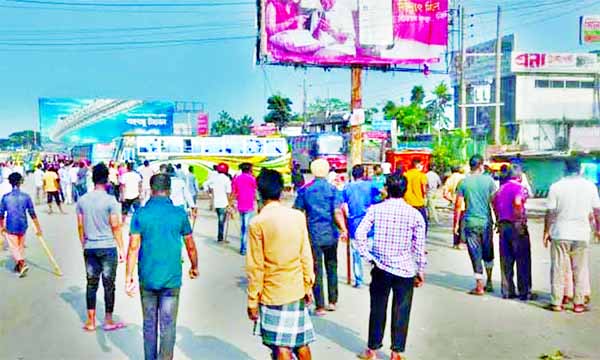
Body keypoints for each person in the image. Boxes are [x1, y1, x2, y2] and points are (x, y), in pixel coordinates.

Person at [125, 174, 199, 360]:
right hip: (171, 279)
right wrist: (194, 266)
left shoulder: (141, 213)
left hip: (147, 277)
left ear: (151, 189)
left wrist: (129, 276)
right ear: (169, 190)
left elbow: (134, 246)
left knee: (149, 324)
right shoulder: (179, 213)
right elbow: (190, 244)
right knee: (168, 325)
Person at [355, 174, 426, 360]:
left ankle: (372, 350)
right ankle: (396, 353)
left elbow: (360, 234)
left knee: (377, 308)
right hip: (405, 270)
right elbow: (419, 247)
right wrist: (420, 270)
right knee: (401, 310)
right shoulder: (415, 215)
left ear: (387, 189)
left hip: (381, 267)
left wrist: (368, 256)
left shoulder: (375, 210)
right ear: (405, 190)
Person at [246, 169, 316, 360]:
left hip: (272, 292)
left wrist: (252, 300)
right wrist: (308, 284)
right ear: (281, 191)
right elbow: (306, 254)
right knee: (301, 342)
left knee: (281, 345)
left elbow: (256, 266)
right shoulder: (297, 217)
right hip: (296, 288)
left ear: (259, 192)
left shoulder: (257, 223)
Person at [544, 157, 600, 313]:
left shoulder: (556, 187)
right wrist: (598, 229)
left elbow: (550, 212)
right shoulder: (590, 187)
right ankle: (578, 303)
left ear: (564, 169)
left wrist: (546, 231)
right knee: (580, 269)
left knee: (558, 267)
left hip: (561, 232)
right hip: (581, 233)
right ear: (580, 169)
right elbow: (597, 211)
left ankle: (556, 302)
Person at [294, 158, 348, 316]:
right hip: (331, 233)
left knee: (316, 269)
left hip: (313, 234)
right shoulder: (333, 190)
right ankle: (332, 300)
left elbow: (298, 211)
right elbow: (337, 212)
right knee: (332, 266)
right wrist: (343, 229)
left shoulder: (305, 191)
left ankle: (320, 306)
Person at [76, 163, 126, 332]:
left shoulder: (82, 200)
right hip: (108, 247)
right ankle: (108, 320)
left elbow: (80, 226)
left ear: (92, 178)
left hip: (90, 246)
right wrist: (121, 248)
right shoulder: (111, 201)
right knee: (109, 284)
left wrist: (84, 243)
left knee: (91, 283)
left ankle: (90, 321)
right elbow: (116, 226)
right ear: (107, 179)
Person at [454, 155, 498, 295]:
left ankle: (479, 286)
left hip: (470, 222)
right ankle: (489, 281)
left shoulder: (463, 183)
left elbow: (458, 205)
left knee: (475, 253)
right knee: (488, 251)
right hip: (486, 222)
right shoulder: (489, 181)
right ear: (481, 166)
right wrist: (497, 219)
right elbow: (494, 202)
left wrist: (456, 224)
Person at [492, 166, 533, 300]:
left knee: (506, 259)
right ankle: (524, 291)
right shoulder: (520, 188)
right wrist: (519, 220)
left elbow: (493, 201)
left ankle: (507, 290)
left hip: (503, 225)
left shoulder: (501, 189)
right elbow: (517, 202)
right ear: (519, 176)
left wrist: (498, 218)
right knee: (523, 259)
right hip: (516, 225)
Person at [342, 164, 381, 288]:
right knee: (373, 251)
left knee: (356, 253)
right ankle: (376, 278)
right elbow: (381, 195)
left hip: (354, 223)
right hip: (369, 223)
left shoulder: (347, 188)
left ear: (352, 175)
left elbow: (343, 206)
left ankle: (359, 280)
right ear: (363, 174)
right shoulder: (370, 186)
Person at [0, 173, 43, 277]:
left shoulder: (6, 197)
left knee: (14, 246)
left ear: (10, 182)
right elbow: (32, 213)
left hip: (11, 225)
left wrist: (1, 227)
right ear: (20, 182)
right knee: (20, 245)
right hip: (23, 224)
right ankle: (18, 265)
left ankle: (21, 263)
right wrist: (38, 227)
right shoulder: (26, 197)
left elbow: (1, 214)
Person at [232, 163, 257, 255]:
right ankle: (243, 248)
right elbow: (255, 188)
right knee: (246, 227)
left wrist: (231, 203)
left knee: (243, 226)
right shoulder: (251, 178)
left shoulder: (237, 178)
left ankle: (243, 246)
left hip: (240, 204)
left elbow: (234, 191)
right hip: (249, 204)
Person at [204, 163, 232, 243]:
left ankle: (220, 237)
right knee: (222, 220)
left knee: (221, 220)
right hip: (224, 202)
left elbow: (205, 184)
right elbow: (228, 192)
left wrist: (208, 193)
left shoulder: (214, 178)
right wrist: (229, 203)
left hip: (217, 202)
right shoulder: (227, 179)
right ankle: (220, 238)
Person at [444, 166, 467, 249]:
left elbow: (445, 194)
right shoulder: (464, 177)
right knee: (463, 223)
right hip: (465, 203)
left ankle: (455, 242)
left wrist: (452, 200)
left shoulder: (450, 179)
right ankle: (462, 242)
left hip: (456, 203)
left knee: (456, 222)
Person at [403, 158, 428, 229]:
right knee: (423, 223)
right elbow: (424, 189)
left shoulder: (405, 174)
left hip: (407, 202)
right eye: (422, 164)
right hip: (418, 203)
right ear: (418, 165)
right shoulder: (421, 175)